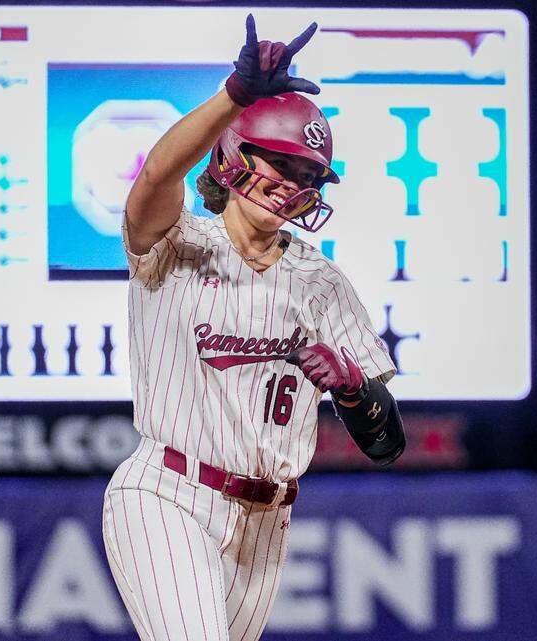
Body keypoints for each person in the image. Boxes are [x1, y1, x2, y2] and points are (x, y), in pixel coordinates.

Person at [101, 15, 404, 641]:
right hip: (167, 492)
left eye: (306, 177)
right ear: (233, 155)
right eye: (279, 162)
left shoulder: (320, 282)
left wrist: (353, 390)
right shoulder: (177, 244)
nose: (290, 186)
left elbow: (385, 442)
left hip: (266, 524)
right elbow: (157, 178)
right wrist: (236, 95)